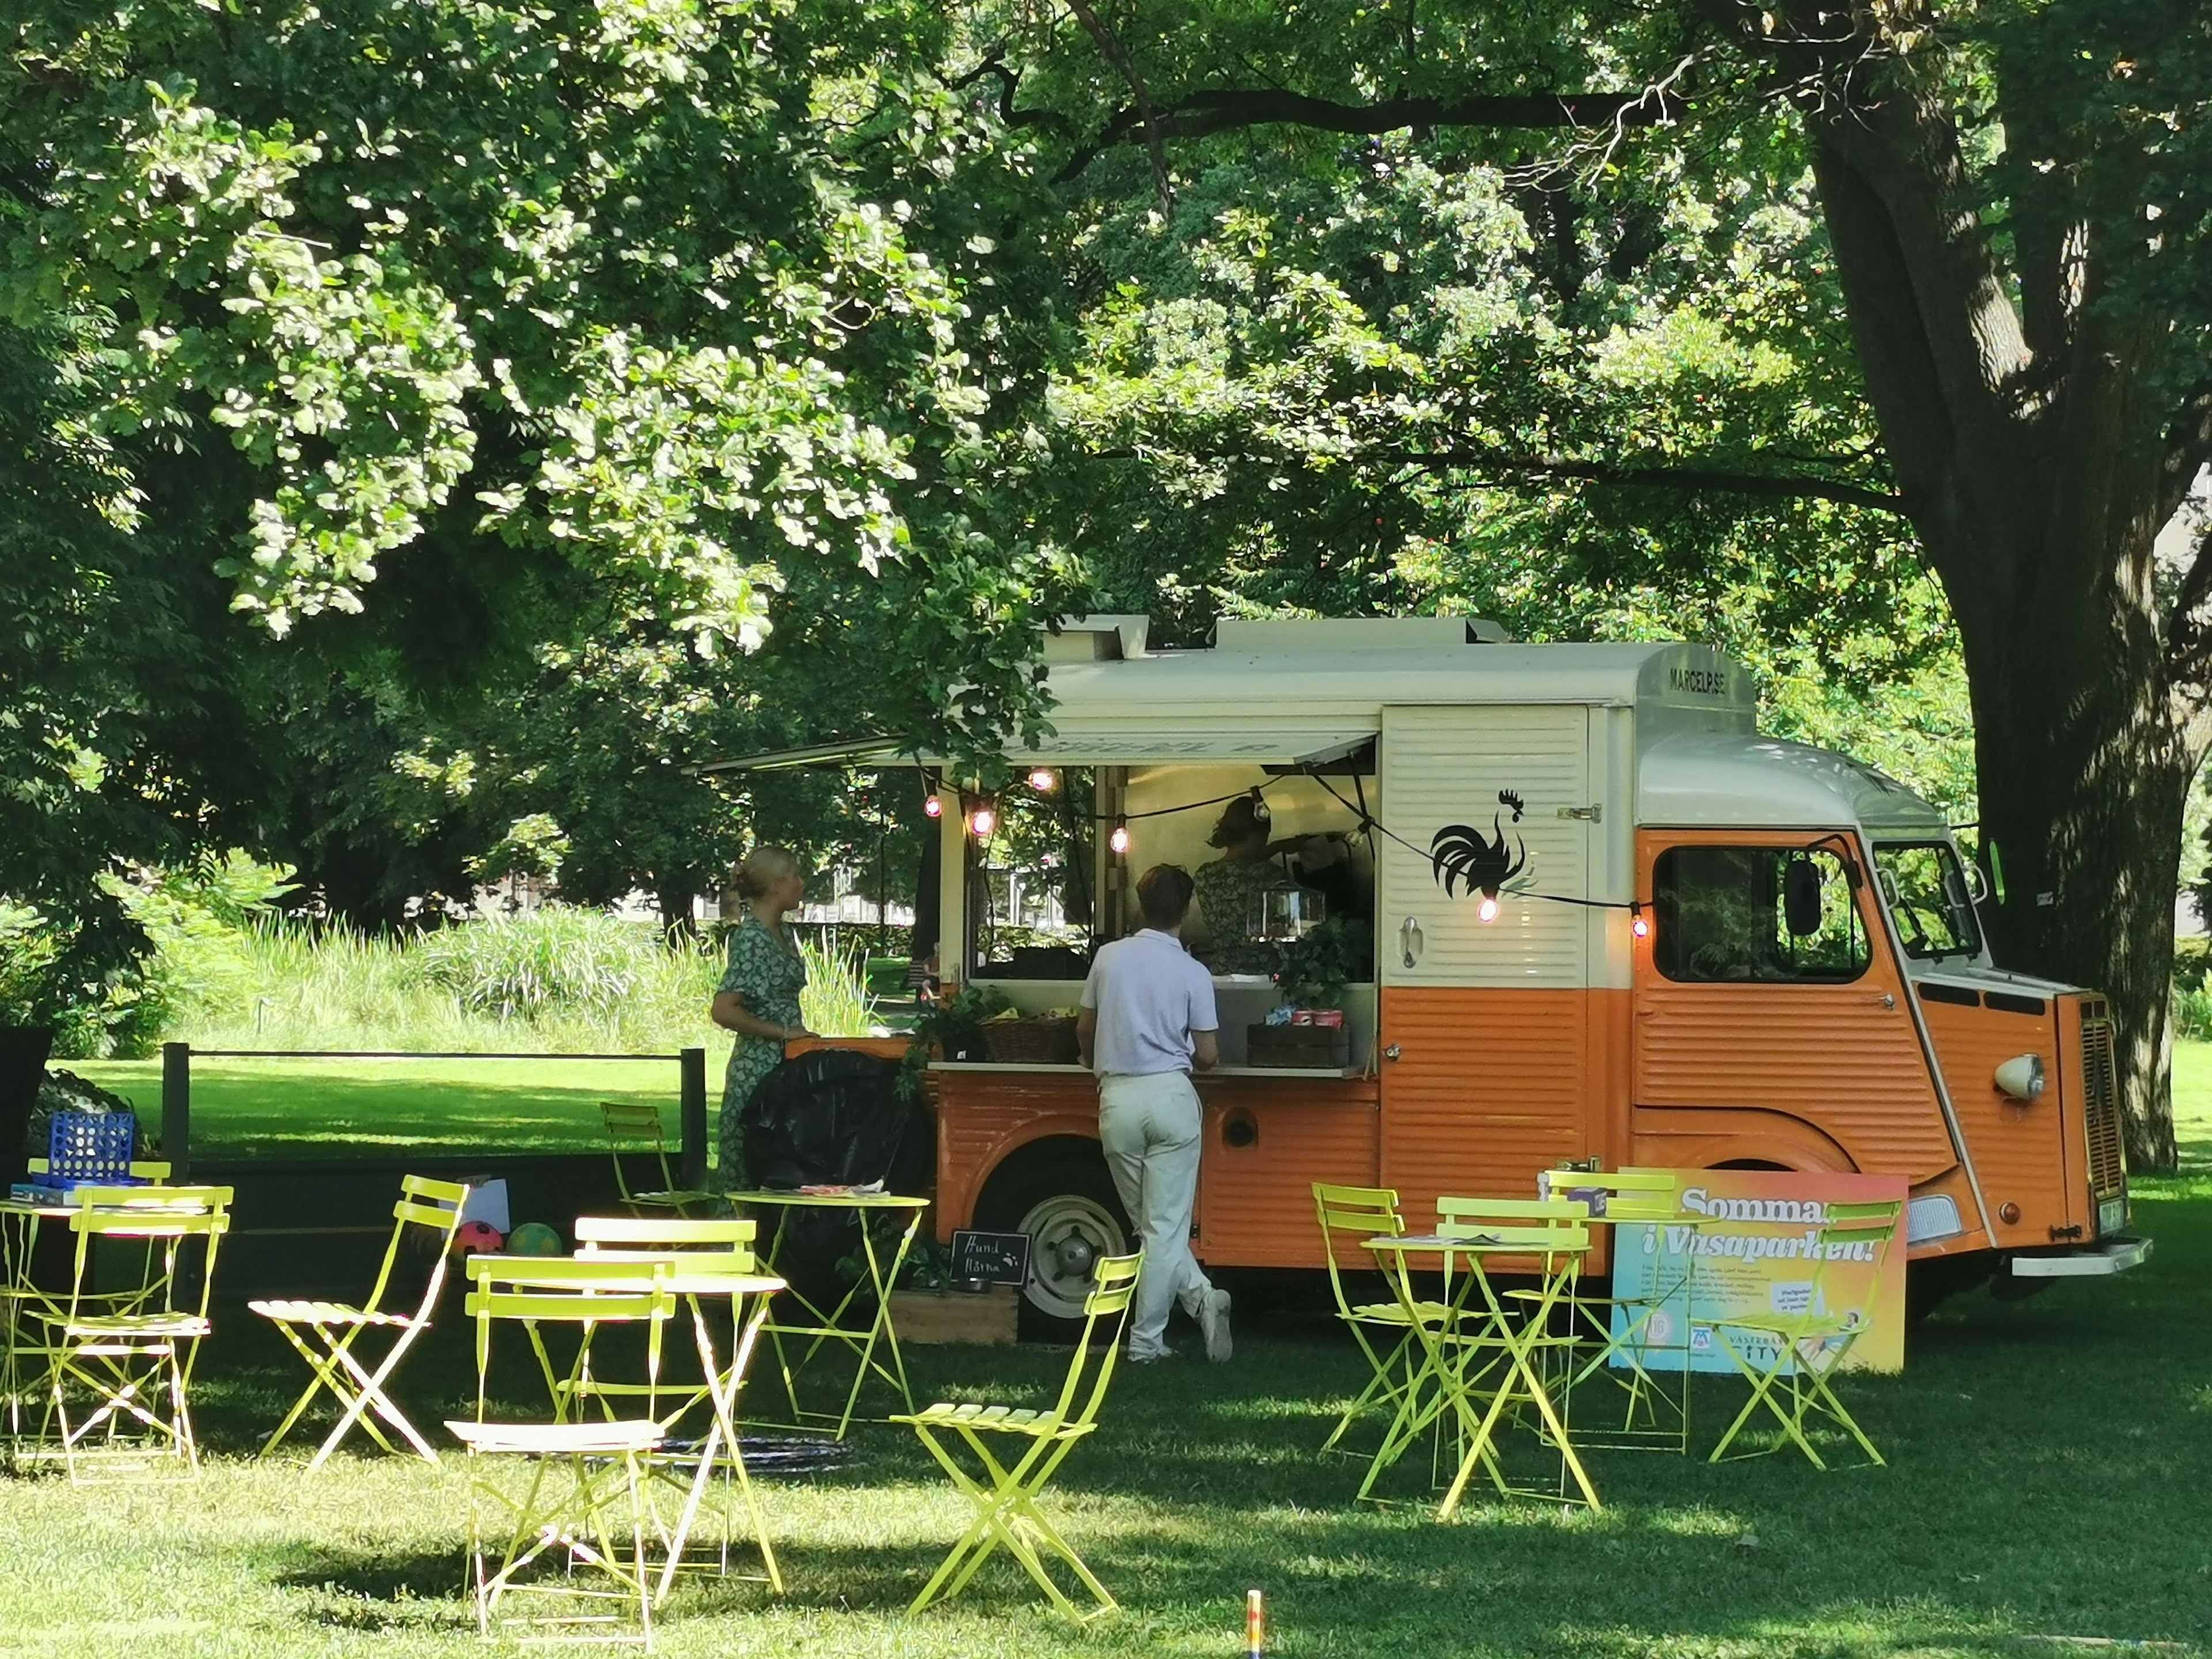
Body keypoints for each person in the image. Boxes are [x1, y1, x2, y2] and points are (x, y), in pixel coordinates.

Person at [1075, 863, 1233, 1363]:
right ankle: (1151, 1339)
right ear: (1186, 910)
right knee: (1164, 1226)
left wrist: (1093, 1060)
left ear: (1140, 905)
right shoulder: (1193, 972)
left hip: (1117, 1097)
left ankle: (1202, 1302)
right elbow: (1207, 1055)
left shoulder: (1108, 958)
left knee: (1148, 1225)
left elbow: (1084, 1027)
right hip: (1171, 1096)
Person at [709, 845, 813, 1191]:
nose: (802, 883)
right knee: (749, 1172)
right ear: (775, 887)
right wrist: (783, 1033)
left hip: (784, 1066)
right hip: (756, 1070)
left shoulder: (783, 935)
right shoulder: (752, 938)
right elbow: (723, 1010)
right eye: (795, 876)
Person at [1191, 791, 1349, 975]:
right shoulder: (1270, 876)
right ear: (1258, 836)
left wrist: (1276, 848)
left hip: (1222, 971)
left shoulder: (1204, 875)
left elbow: (1242, 865)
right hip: (1267, 974)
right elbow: (1319, 919)